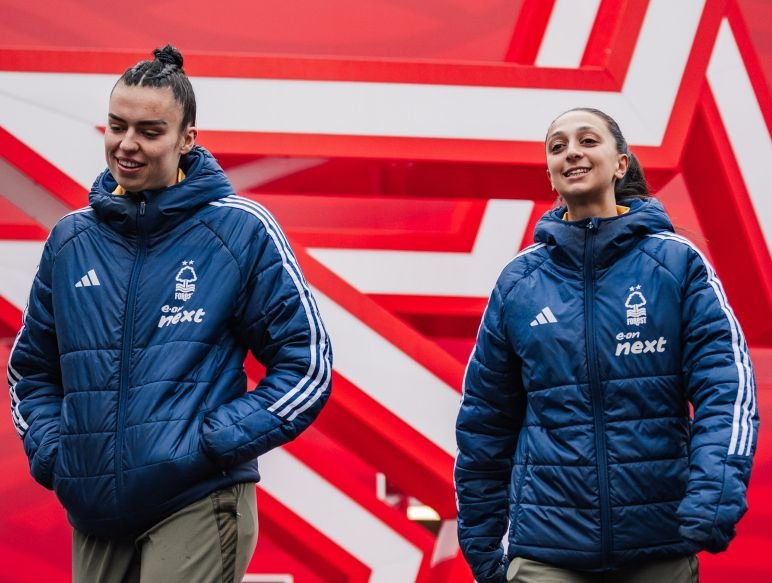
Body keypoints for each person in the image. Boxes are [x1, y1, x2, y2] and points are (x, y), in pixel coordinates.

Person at [7, 45, 332, 583]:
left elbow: (308, 363)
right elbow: (32, 371)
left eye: (150, 131)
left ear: (187, 139)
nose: (127, 145)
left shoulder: (238, 230)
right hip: (93, 511)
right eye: (117, 126)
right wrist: (54, 453)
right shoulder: (71, 240)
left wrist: (211, 444)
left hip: (194, 498)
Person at [454, 107, 758, 583]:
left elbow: (728, 391)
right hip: (547, 552)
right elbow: (484, 425)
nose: (571, 151)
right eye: (557, 147)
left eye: (588, 140)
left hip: (658, 546)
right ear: (552, 176)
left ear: (621, 163)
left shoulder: (677, 264)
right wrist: (482, 543)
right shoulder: (520, 282)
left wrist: (715, 492)